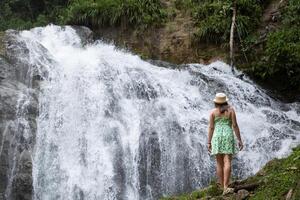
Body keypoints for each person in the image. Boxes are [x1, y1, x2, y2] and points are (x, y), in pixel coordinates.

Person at [207, 92, 244, 195]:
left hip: (217, 136)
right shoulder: (231, 111)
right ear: (225, 101)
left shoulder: (213, 112)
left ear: (216, 102)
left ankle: (221, 185)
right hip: (228, 135)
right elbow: (235, 126)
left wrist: (209, 142)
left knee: (219, 162)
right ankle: (226, 186)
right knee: (227, 161)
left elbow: (211, 127)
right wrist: (239, 140)